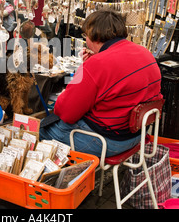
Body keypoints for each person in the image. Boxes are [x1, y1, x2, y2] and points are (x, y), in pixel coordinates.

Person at [39, 8, 163, 157]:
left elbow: (66, 113)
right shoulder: (144, 52)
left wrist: (85, 69)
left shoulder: (98, 64)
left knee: (42, 129)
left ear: (93, 35)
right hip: (137, 135)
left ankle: (57, 178)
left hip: (108, 141)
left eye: (85, 35)